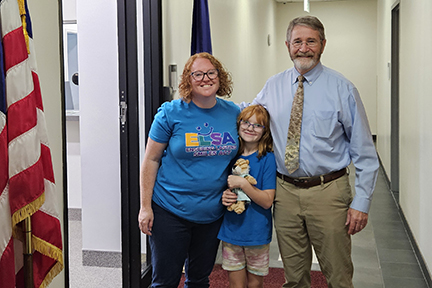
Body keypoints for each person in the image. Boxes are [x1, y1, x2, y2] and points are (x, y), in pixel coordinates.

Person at [247, 16, 380, 288]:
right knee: (294, 277)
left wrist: (361, 203)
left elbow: (365, 151)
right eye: (297, 41)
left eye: (311, 41)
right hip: (284, 192)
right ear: (287, 45)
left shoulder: (343, 88)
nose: (303, 48)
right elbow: (248, 115)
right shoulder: (274, 85)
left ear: (323, 45)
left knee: (338, 275)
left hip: (328, 192)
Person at [138, 52, 240, 288]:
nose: (205, 78)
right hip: (170, 210)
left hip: (212, 213)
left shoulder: (233, 113)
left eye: (211, 72)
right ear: (188, 80)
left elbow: (241, 158)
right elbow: (150, 160)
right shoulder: (171, 113)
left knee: (199, 280)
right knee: (165, 282)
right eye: (198, 74)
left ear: (220, 77)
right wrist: (145, 207)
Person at [218, 105, 277, 288]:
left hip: (256, 234)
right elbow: (221, 186)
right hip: (231, 232)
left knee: (254, 285)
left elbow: (267, 201)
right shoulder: (229, 155)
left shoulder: (268, 158)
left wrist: (244, 184)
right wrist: (225, 196)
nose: (250, 128)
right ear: (238, 124)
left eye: (257, 125)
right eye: (246, 122)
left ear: (265, 131)